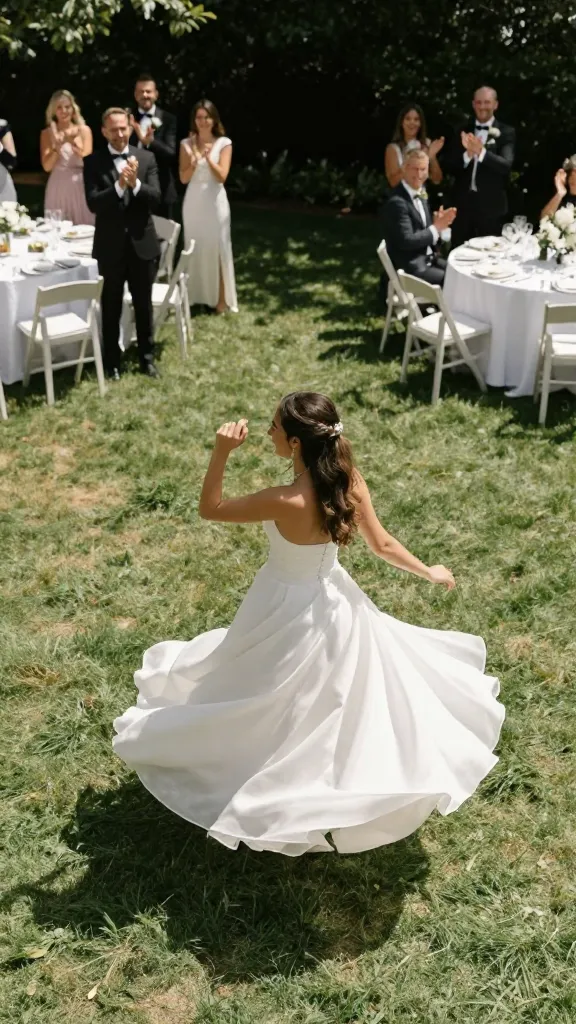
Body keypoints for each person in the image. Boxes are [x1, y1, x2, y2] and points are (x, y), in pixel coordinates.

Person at [113, 391, 504, 857]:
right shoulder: (347, 481)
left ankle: (259, 769)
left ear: (296, 443)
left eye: (274, 427)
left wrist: (220, 452)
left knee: (262, 686)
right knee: (331, 694)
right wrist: (429, 571)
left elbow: (210, 508)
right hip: (335, 601)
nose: (268, 433)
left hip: (281, 602)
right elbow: (382, 545)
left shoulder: (285, 499)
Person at [83, 107, 161, 380]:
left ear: (130, 128)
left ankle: (147, 359)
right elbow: (93, 203)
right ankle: (112, 363)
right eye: (113, 129)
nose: (119, 134)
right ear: (104, 131)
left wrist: (135, 183)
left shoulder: (147, 157)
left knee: (143, 304)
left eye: (123, 128)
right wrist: (118, 186)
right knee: (111, 305)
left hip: (141, 244)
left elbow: (156, 198)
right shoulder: (93, 162)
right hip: (110, 246)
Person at [180, 99, 238, 313]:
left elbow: (222, 176)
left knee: (218, 247)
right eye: (199, 117)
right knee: (194, 246)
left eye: (207, 117)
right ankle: (196, 296)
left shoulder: (224, 143)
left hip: (215, 202)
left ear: (214, 120)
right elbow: (183, 178)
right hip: (193, 201)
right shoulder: (186, 144)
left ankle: (221, 300)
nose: (203, 121)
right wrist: (194, 161)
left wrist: (208, 158)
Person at [443, 86, 515, 248]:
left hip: (492, 208)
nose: (482, 106)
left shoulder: (506, 132)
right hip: (462, 207)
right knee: (459, 252)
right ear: (473, 104)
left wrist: (481, 152)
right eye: (479, 102)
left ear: (495, 104)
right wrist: (467, 155)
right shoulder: (462, 130)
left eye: (487, 102)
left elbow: (505, 166)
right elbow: (449, 166)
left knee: (490, 255)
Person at [382, 149, 456, 285]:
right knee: (453, 282)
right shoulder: (397, 202)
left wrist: (439, 225)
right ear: (404, 168)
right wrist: (436, 228)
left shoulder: (420, 193)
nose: (419, 174)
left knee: (460, 273)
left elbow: (423, 231)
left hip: (429, 258)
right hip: (410, 267)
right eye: (414, 169)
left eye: (423, 169)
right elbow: (406, 240)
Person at [40, 90, 94, 225]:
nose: (64, 111)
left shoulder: (84, 130)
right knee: (57, 226)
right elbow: (47, 167)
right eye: (59, 107)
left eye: (67, 107)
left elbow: (88, 162)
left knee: (83, 226)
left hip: (79, 184)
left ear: (73, 109)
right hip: (58, 185)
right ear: (53, 110)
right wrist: (57, 148)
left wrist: (73, 144)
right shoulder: (47, 133)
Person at [129, 74, 178, 220]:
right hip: (132, 185)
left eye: (148, 91)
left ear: (156, 94)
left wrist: (150, 143)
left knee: (163, 231)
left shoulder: (168, 119)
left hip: (161, 187)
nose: (145, 95)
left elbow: (171, 154)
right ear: (135, 95)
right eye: (141, 92)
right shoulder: (128, 118)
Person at [385, 103, 444, 189]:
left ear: (420, 123)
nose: (412, 122)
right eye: (408, 119)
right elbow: (393, 183)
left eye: (416, 119)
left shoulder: (426, 145)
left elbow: (437, 179)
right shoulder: (393, 148)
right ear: (401, 122)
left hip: (421, 196)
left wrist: (431, 157)